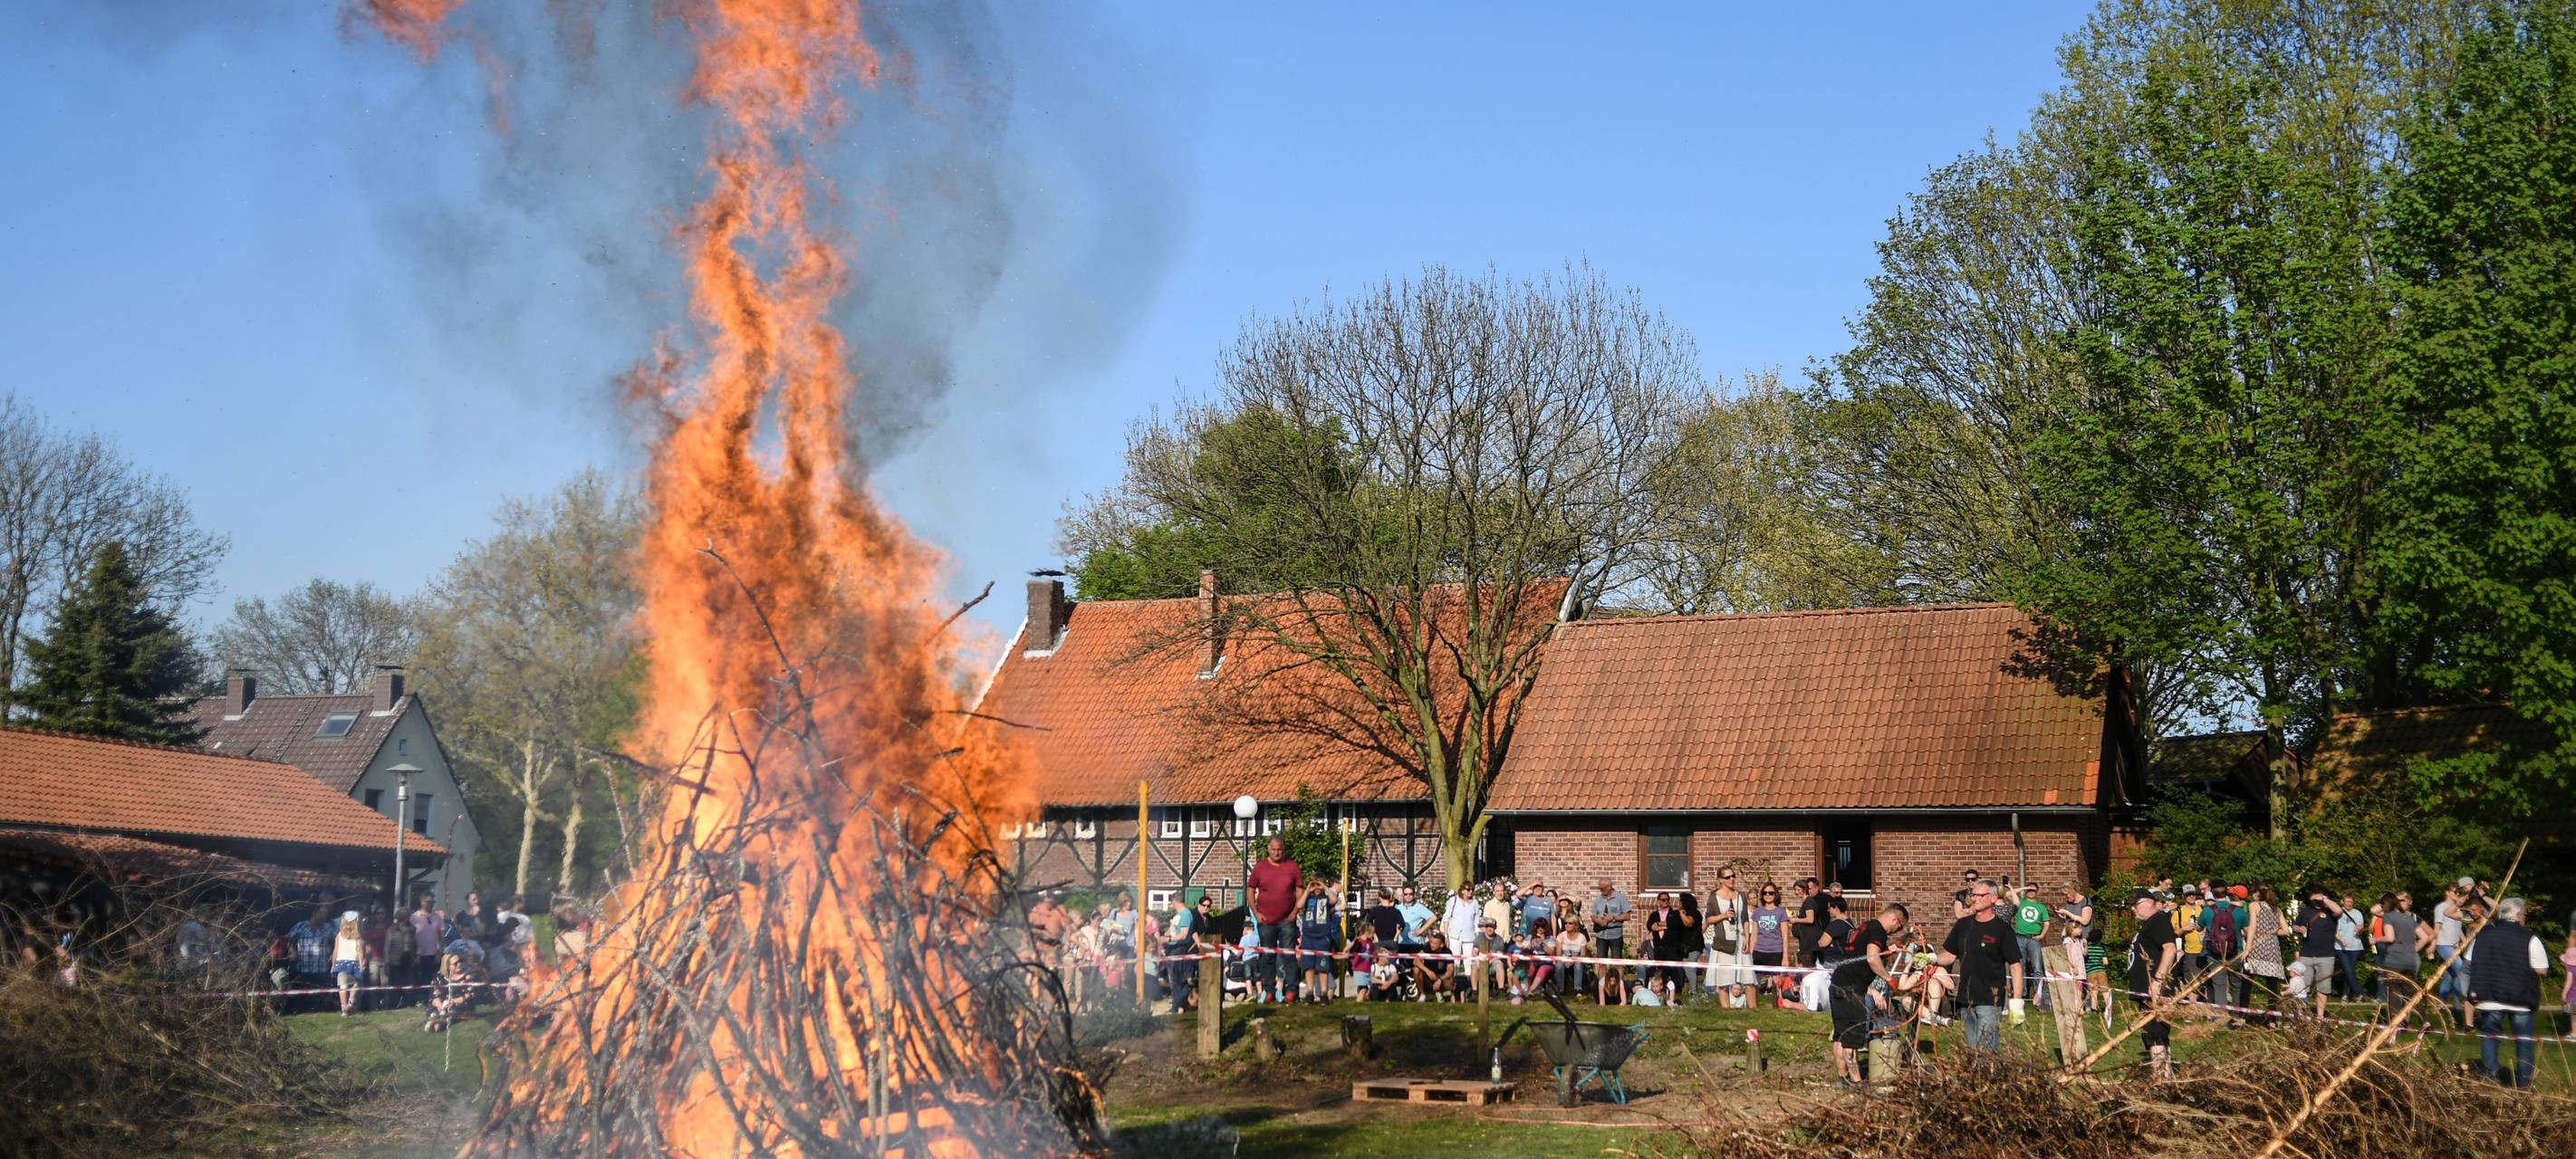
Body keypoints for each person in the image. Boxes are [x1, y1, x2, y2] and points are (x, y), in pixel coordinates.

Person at [2463, 896, 2547, 1087]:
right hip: (2520, 998)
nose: (2525, 918)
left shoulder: (2483, 935)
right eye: (2524, 914)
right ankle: (2525, 1084)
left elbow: (2468, 960)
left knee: (2490, 1039)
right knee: (2524, 1042)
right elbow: (2542, 969)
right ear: (2518, 916)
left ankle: (2490, 1079)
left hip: (2489, 997)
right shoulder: (2529, 937)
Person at [1827, 902, 1907, 1091]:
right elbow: (1872, 958)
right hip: (1852, 990)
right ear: (1895, 919)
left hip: (1838, 983)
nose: (1897, 930)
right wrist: (1888, 978)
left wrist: (1889, 950)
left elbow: (1864, 953)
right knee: (1852, 1039)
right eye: (1899, 927)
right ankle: (1857, 1083)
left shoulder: (1866, 926)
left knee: (1841, 1035)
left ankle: (1842, 1079)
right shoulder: (1878, 931)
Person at [1937, 881, 2022, 1051]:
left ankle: (1991, 1076)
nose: (1974, 899)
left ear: (1993, 898)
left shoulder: (2002, 929)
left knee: (1986, 1051)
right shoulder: (1963, 925)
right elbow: (1950, 955)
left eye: (1979, 895)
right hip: (1965, 999)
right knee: (1972, 1050)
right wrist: (1930, 958)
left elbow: (2015, 966)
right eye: (1973, 895)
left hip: (1990, 1000)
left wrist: (2017, 1002)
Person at [2129, 892, 2180, 1078]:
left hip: (2156, 989)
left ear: (2149, 902)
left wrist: (2158, 980)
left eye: (2136, 904)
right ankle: (2164, 1075)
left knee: (2155, 1031)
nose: (2132, 908)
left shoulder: (2158, 920)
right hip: (2147, 990)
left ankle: (2160, 1078)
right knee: (2153, 1032)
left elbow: (2170, 948)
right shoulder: (2149, 923)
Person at [1245, 838, 1301, 1004]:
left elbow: (1299, 891)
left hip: (1287, 920)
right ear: (1268, 850)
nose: (1277, 853)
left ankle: (1291, 991)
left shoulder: (1292, 867)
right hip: (1266, 920)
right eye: (1274, 849)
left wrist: (1295, 912)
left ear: (1284, 850)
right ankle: (1269, 991)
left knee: (1289, 955)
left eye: (1280, 850)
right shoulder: (1260, 867)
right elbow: (1250, 890)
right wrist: (1255, 912)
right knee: (1267, 956)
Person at [1705, 867, 1750, 1006]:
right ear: (1720, 880)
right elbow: (1708, 919)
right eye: (1728, 877)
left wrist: (1747, 938)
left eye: (1733, 876)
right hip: (1724, 942)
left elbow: (1745, 919)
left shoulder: (1741, 896)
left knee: (1748, 977)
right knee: (1723, 979)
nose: (1732, 879)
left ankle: (1753, 1010)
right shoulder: (1714, 896)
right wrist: (1723, 915)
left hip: (1740, 939)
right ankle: (1726, 1010)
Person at [2372, 892, 2422, 1007]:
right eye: (2397, 900)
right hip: (2407, 958)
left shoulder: (2412, 918)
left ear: (2410, 902)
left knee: (2396, 992)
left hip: (2399, 959)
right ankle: (2423, 1022)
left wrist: (2376, 940)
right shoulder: (2396, 916)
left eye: (2403, 900)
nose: (2400, 902)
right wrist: (2388, 900)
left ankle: (2399, 1021)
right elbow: (2373, 910)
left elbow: (2428, 936)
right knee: (2408, 991)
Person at [2243, 886, 2286, 1017]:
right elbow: (2286, 931)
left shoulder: (2254, 905)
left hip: (2257, 947)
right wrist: (2273, 931)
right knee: (2272, 987)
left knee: (2247, 981)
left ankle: (2242, 1016)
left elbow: (2252, 927)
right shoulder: (2277, 909)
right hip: (2272, 948)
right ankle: (2272, 1019)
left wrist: (2248, 948)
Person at [1296, 876, 1341, 1004]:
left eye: (1318, 885)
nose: (1317, 888)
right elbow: (1299, 905)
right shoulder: (1308, 898)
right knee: (1309, 966)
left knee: (1323, 967)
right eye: (1315, 884)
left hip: (1322, 937)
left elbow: (1335, 900)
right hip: (1308, 936)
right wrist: (1308, 889)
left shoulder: (1326, 898)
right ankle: (1309, 993)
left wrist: (1324, 887)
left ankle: (1323, 994)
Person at [2009, 885, 2052, 1009]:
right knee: (2019, 967)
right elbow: (2008, 894)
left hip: (2034, 939)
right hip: (2019, 938)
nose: (2031, 892)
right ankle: (2021, 996)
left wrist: (2042, 935)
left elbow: (2047, 923)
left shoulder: (2041, 907)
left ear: (2038, 892)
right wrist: (2024, 887)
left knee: (2037, 968)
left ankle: (2039, 998)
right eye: (2030, 890)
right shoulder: (2020, 902)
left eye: (2034, 890)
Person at [1748, 884, 1789, 1005]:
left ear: (1775, 894)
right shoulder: (1758, 912)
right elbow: (1754, 934)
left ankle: (1777, 1005)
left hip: (1775, 950)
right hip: (1759, 950)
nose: (1768, 895)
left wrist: (1785, 957)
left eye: (1770, 893)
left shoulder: (1781, 912)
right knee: (1754, 980)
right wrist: (1750, 954)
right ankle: (1753, 1007)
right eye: (1765, 893)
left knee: (1777, 981)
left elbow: (1785, 936)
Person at [2332, 891, 2367, 1002]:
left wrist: (2360, 930)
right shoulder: (2337, 913)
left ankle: (2346, 995)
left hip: (2355, 947)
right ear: (2342, 902)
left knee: (2350, 971)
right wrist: (2341, 940)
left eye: (2351, 902)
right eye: (2347, 901)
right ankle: (2359, 993)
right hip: (2340, 947)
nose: (2349, 904)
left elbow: (2360, 932)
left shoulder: (2358, 914)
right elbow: (2332, 930)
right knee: (2347, 969)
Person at [332, 911, 367, 1016]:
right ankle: (351, 1001)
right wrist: (362, 963)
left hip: (341, 964)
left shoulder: (339, 935)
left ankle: (344, 1008)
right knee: (356, 983)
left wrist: (333, 964)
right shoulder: (358, 936)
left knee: (343, 986)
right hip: (355, 963)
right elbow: (360, 951)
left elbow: (335, 951)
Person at [1789, 877, 1827, 967]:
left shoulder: (1809, 902)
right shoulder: (1805, 902)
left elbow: (1810, 919)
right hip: (1806, 939)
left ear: (1804, 889)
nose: (1796, 892)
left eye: (1798, 890)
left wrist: (1795, 920)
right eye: (1795, 890)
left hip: (1810, 940)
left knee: (1806, 963)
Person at [1392, 885, 1434, 965]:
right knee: (1401, 970)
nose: (1408, 896)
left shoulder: (1419, 907)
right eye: (1406, 894)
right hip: (1401, 943)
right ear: (1403, 895)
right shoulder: (1398, 908)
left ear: (1414, 895)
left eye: (1410, 894)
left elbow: (1433, 917)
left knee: (1415, 968)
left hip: (1415, 943)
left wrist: (1421, 930)